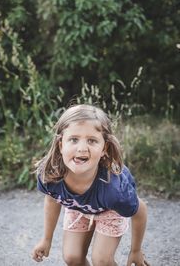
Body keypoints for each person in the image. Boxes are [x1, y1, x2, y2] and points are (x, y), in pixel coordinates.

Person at [32, 104, 149, 266]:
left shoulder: (114, 191)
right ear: (61, 145)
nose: (81, 148)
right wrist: (46, 239)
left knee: (102, 260)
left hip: (109, 210)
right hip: (79, 208)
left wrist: (135, 250)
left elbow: (140, 210)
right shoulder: (50, 175)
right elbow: (52, 200)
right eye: (73, 139)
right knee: (72, 257)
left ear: (104, 148)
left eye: (92, 141)